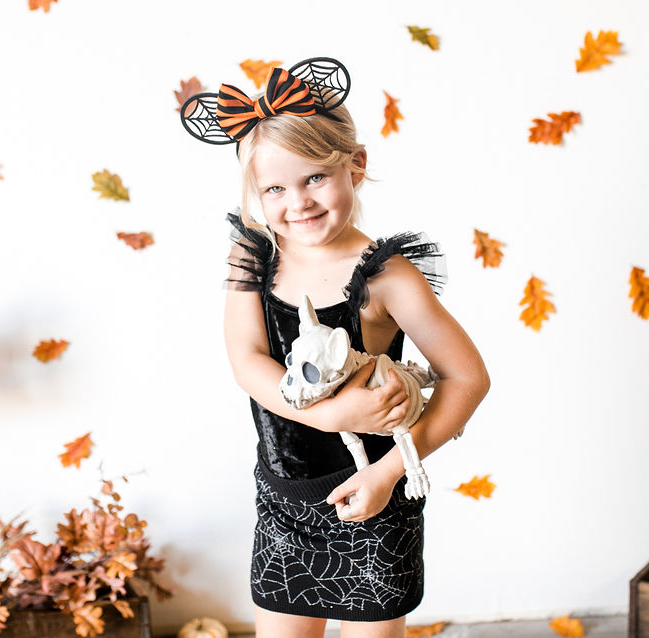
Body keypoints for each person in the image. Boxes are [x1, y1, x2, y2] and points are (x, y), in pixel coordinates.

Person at [181, 58, 490, 638]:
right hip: (284, 502)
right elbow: (246, 360)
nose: (297, 202)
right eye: (275, 188)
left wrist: (389, 474)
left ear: (356, 166)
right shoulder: (254, 256)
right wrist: (330, 415)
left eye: (315, 178)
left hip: (373, 498)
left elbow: (467, 378)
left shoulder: (386, 277)